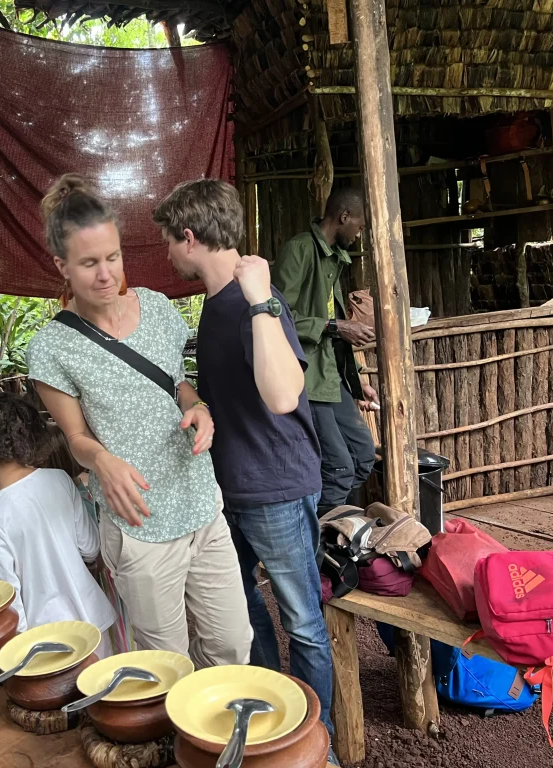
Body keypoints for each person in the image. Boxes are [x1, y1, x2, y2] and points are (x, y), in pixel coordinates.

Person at [27, 174, 251, 667]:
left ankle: (224, 741)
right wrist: (102, 461)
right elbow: (76, 437)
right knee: (166, 662)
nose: (105, 274)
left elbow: (177, 385)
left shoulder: (156, 307)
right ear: (62, 266)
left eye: (112, 258)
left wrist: (201, 408)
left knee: (231, 644)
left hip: (200, 504)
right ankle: (177, 744)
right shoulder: (51, 349)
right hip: (139, 523)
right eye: (88, 263)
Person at [154, 179, 337, 756]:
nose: (166, 255)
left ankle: (314, 745)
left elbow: (284, 395)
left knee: (303, 622)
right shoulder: (215, 303)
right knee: (243, 611)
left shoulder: (258, 301)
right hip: (230, 489)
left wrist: (261, 300)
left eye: (168, 242)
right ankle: (265, 729)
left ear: (189, 237)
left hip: (277, 488)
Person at [0, 391, 117, 654]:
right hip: (93, 618)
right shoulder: (60, 479)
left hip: (46, 637)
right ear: (33, 435)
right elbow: (91, 548)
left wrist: (20, 651)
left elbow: (8, 597)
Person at [270, 186, 379, 515]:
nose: (359, 236)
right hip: (306, 380)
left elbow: (333, 325)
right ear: (343, 217)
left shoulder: (334, 258)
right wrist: (335, 327)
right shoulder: (300, 250)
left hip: (330, 379)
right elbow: (276, 315)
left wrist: (358, 382)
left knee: (362, 458)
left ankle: (323, 531)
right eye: (359, 227)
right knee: (340, 469)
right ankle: (314, 549)